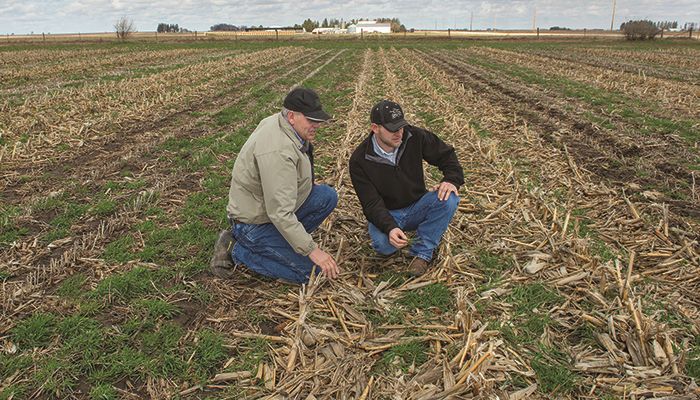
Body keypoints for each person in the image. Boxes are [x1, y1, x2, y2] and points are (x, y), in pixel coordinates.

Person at [209, 87, 339, 283]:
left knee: (326, 197)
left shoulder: (282, 123)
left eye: (318, 120)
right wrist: (313, 250)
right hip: (254, 224)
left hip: (272, 210)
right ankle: (239, 250)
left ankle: (280, 243)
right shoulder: (278, 151)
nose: (317, 125)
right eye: (311, 120)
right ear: (292, 116)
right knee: (313, 274)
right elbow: (279, 212)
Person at [349, 100, 464, 276]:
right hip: (389, 213)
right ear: (375, 128)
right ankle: (407, 233)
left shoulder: (414, 136)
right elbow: (371, 203)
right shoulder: (360, 160)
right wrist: (389, 227)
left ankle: (423, 253)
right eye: (392, 129)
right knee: (383, 247)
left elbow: (446, 155)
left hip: (418, 205)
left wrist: (451, 180)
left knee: (449, 198)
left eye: (401, 126)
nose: (399, 133)